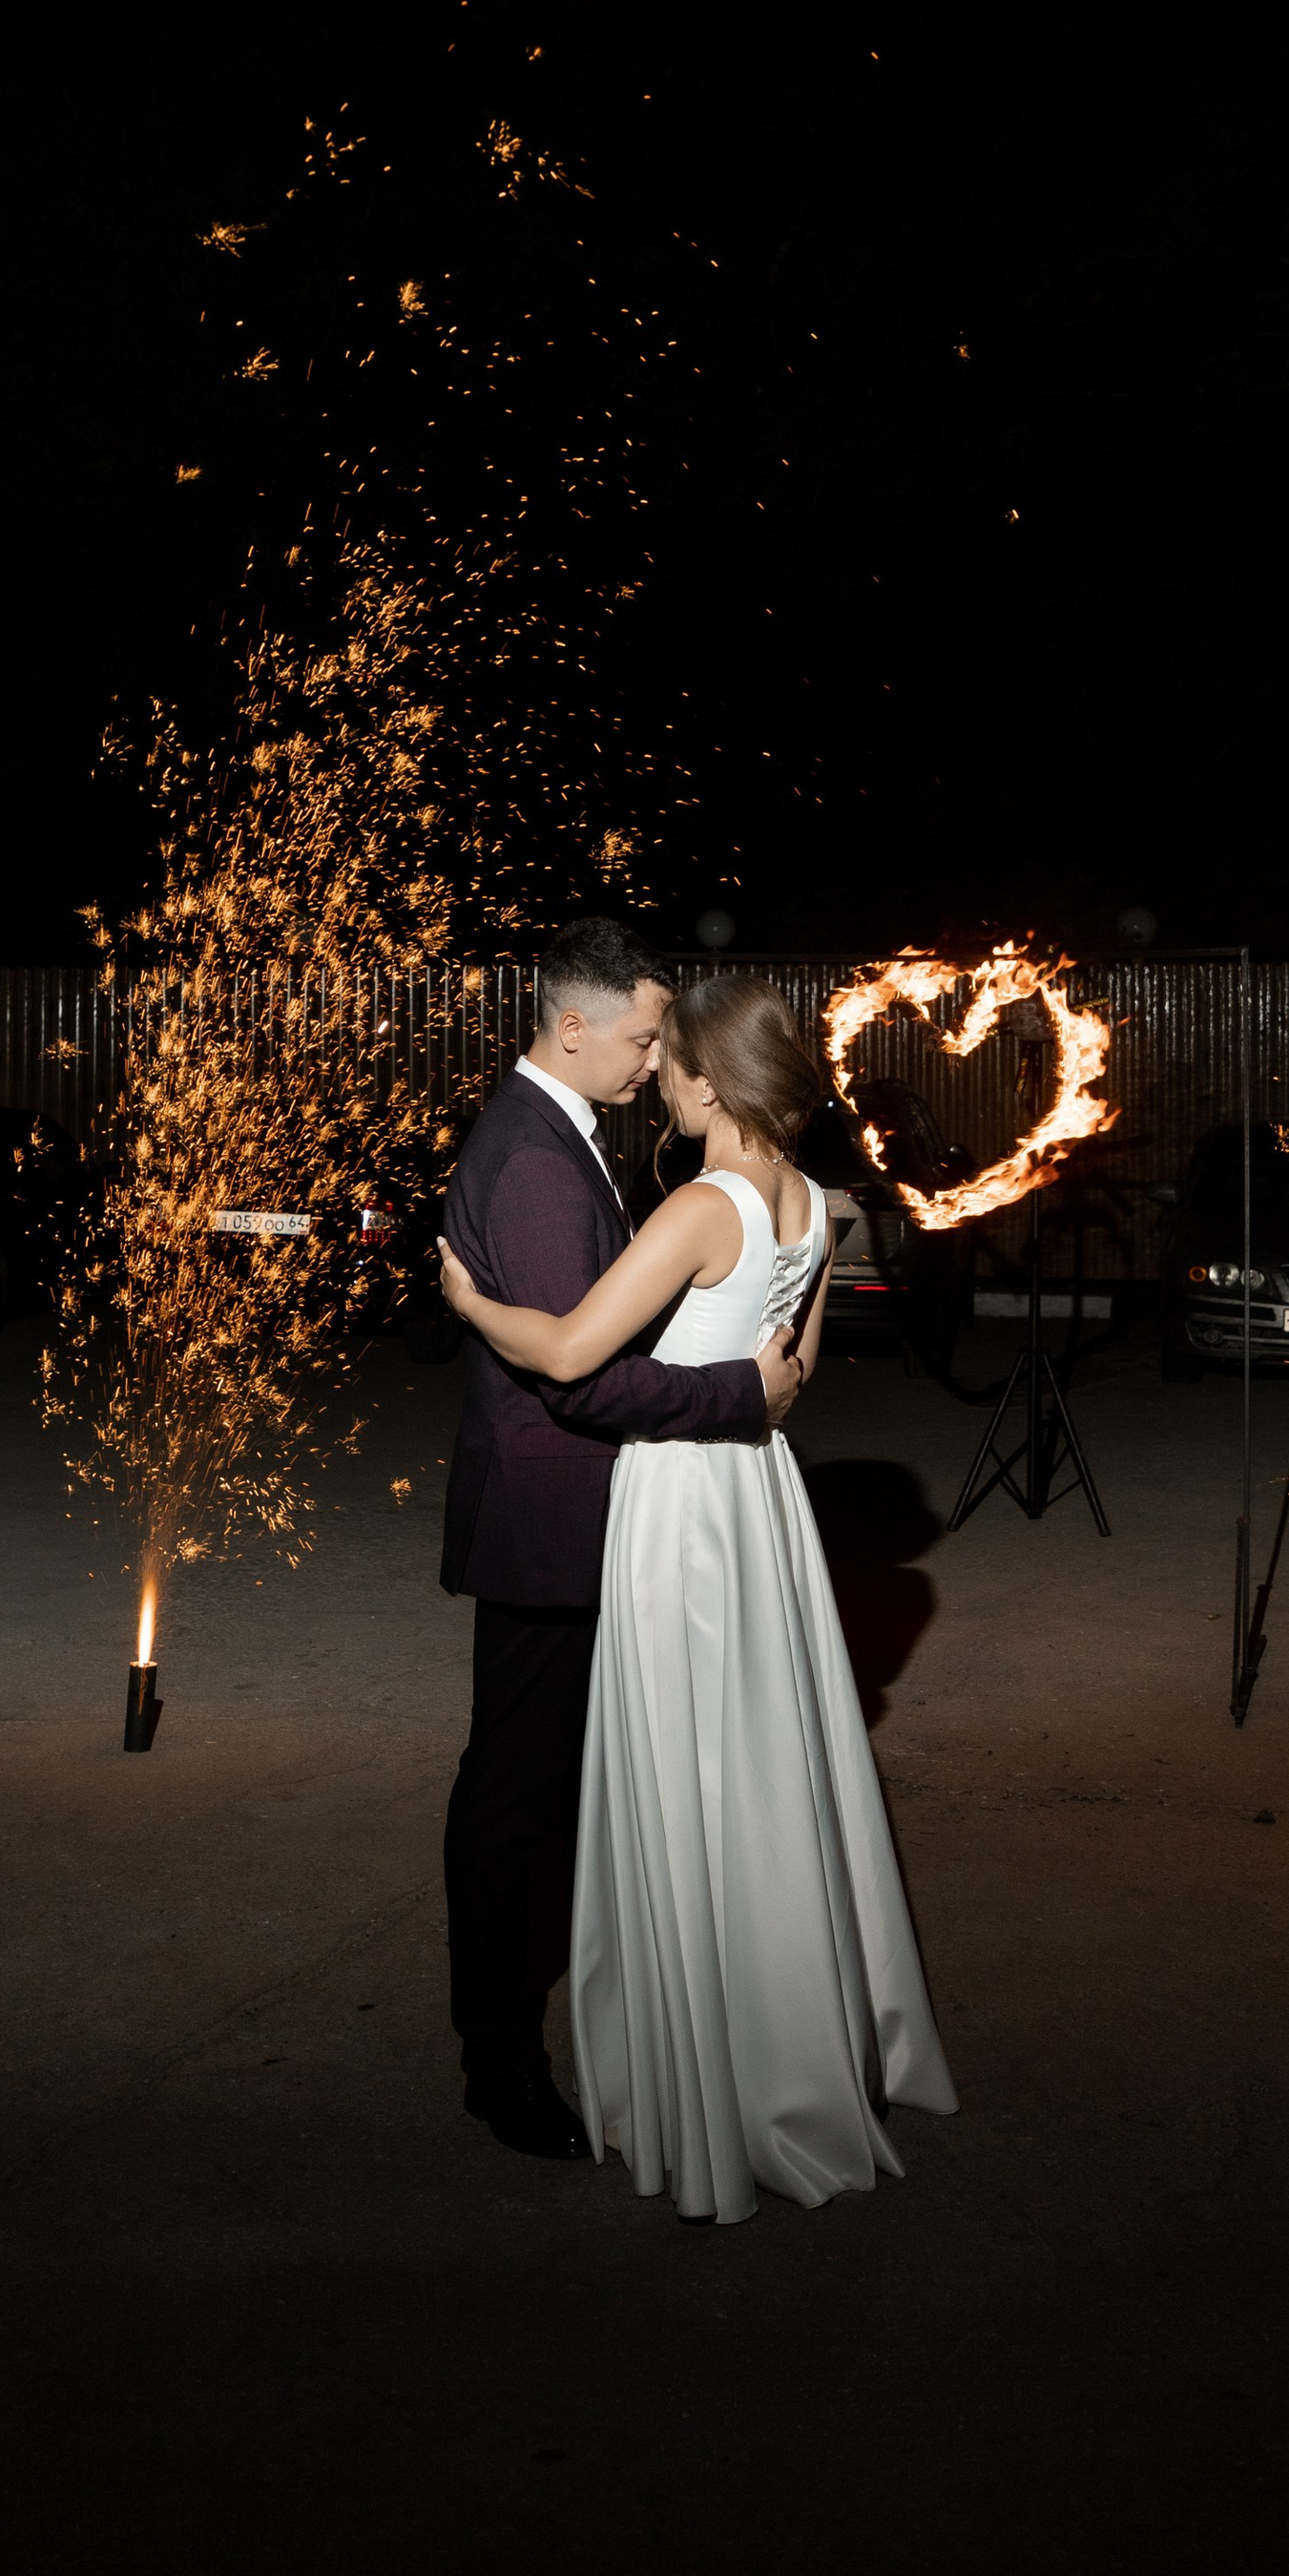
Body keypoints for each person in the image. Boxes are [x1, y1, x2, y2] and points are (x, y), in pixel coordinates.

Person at [443, 969, 958, 2223]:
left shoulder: (698, 1203)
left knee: (683, 1767)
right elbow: (794, 1370)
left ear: (710, 1079)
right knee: (758, 1763)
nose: (654, 1075)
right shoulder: (812, 1205)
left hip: (679, 1503)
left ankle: (706, 2059)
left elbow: (568, 1353)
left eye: (670, 1060)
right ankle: (795, 2036)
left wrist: (472, 1300)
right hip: (761, 1498)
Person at [439, 920, 800, 2161]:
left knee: (580, 1791)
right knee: (516, 1799)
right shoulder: (536, 1161)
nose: (654, 1063)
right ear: (573, 1025)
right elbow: (583, 1384)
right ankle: (501, 2062)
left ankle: (632, 2033)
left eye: (664, 1044)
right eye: (643, 1037)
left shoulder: (561, 1136)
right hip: (553, 1528)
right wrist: (739, 1396)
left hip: (599, 1520)